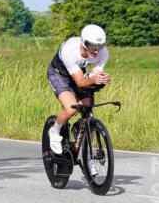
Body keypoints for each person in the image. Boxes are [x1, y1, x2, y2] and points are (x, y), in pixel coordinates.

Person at [46, 24, 111, 156]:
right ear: (83, 42)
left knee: (87, 109)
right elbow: (81, 83)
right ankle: (54, 130)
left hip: (78, 73)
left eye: (99, 46)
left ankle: (78, 131)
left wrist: (101, 79)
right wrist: (93, 79)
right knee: (71, 108)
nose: (95, 51)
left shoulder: (104, 53)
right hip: (59, 74)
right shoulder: (70, 51)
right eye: (91, 45)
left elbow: (94, 75)